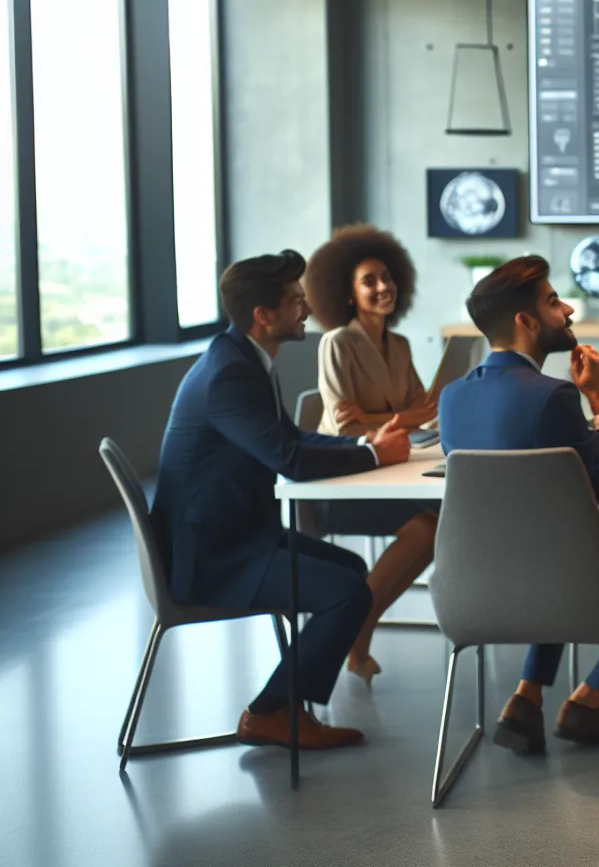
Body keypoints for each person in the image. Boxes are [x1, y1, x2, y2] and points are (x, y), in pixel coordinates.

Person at [150, 251, 412, 749]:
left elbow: (292, 438)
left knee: (352, 572)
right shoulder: (229, 374)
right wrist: (375, 459)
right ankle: (270, 711)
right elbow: (289, 459)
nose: (306, 309)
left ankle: (287, 703)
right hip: (213, 556)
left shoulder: (243, 359)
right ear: (263, 316)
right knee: (348, 593)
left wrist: (366, 445)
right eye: (295, 302)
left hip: (238, 535)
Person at [437, 256, 599, 753]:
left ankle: (526, 696)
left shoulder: (451, 398)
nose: (569, 309)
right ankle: (590, 700)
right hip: (558, 588)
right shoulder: (552, 398)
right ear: (525, 322)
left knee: (546, 543)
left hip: (469, 595)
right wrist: (598, 401)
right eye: (554, 302)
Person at [303, 224, 440, 685]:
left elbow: (427, 409)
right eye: (369, 280)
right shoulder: (336, 344)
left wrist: (381, 417)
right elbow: (345, 425)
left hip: (390, 466)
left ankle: (359, 628)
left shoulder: (399, 346)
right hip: (341, 481)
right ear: (346, 292)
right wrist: (400, 416)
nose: (383, 287)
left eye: (387, 277)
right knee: (425, 529)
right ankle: (359, 631)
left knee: (437, 523)